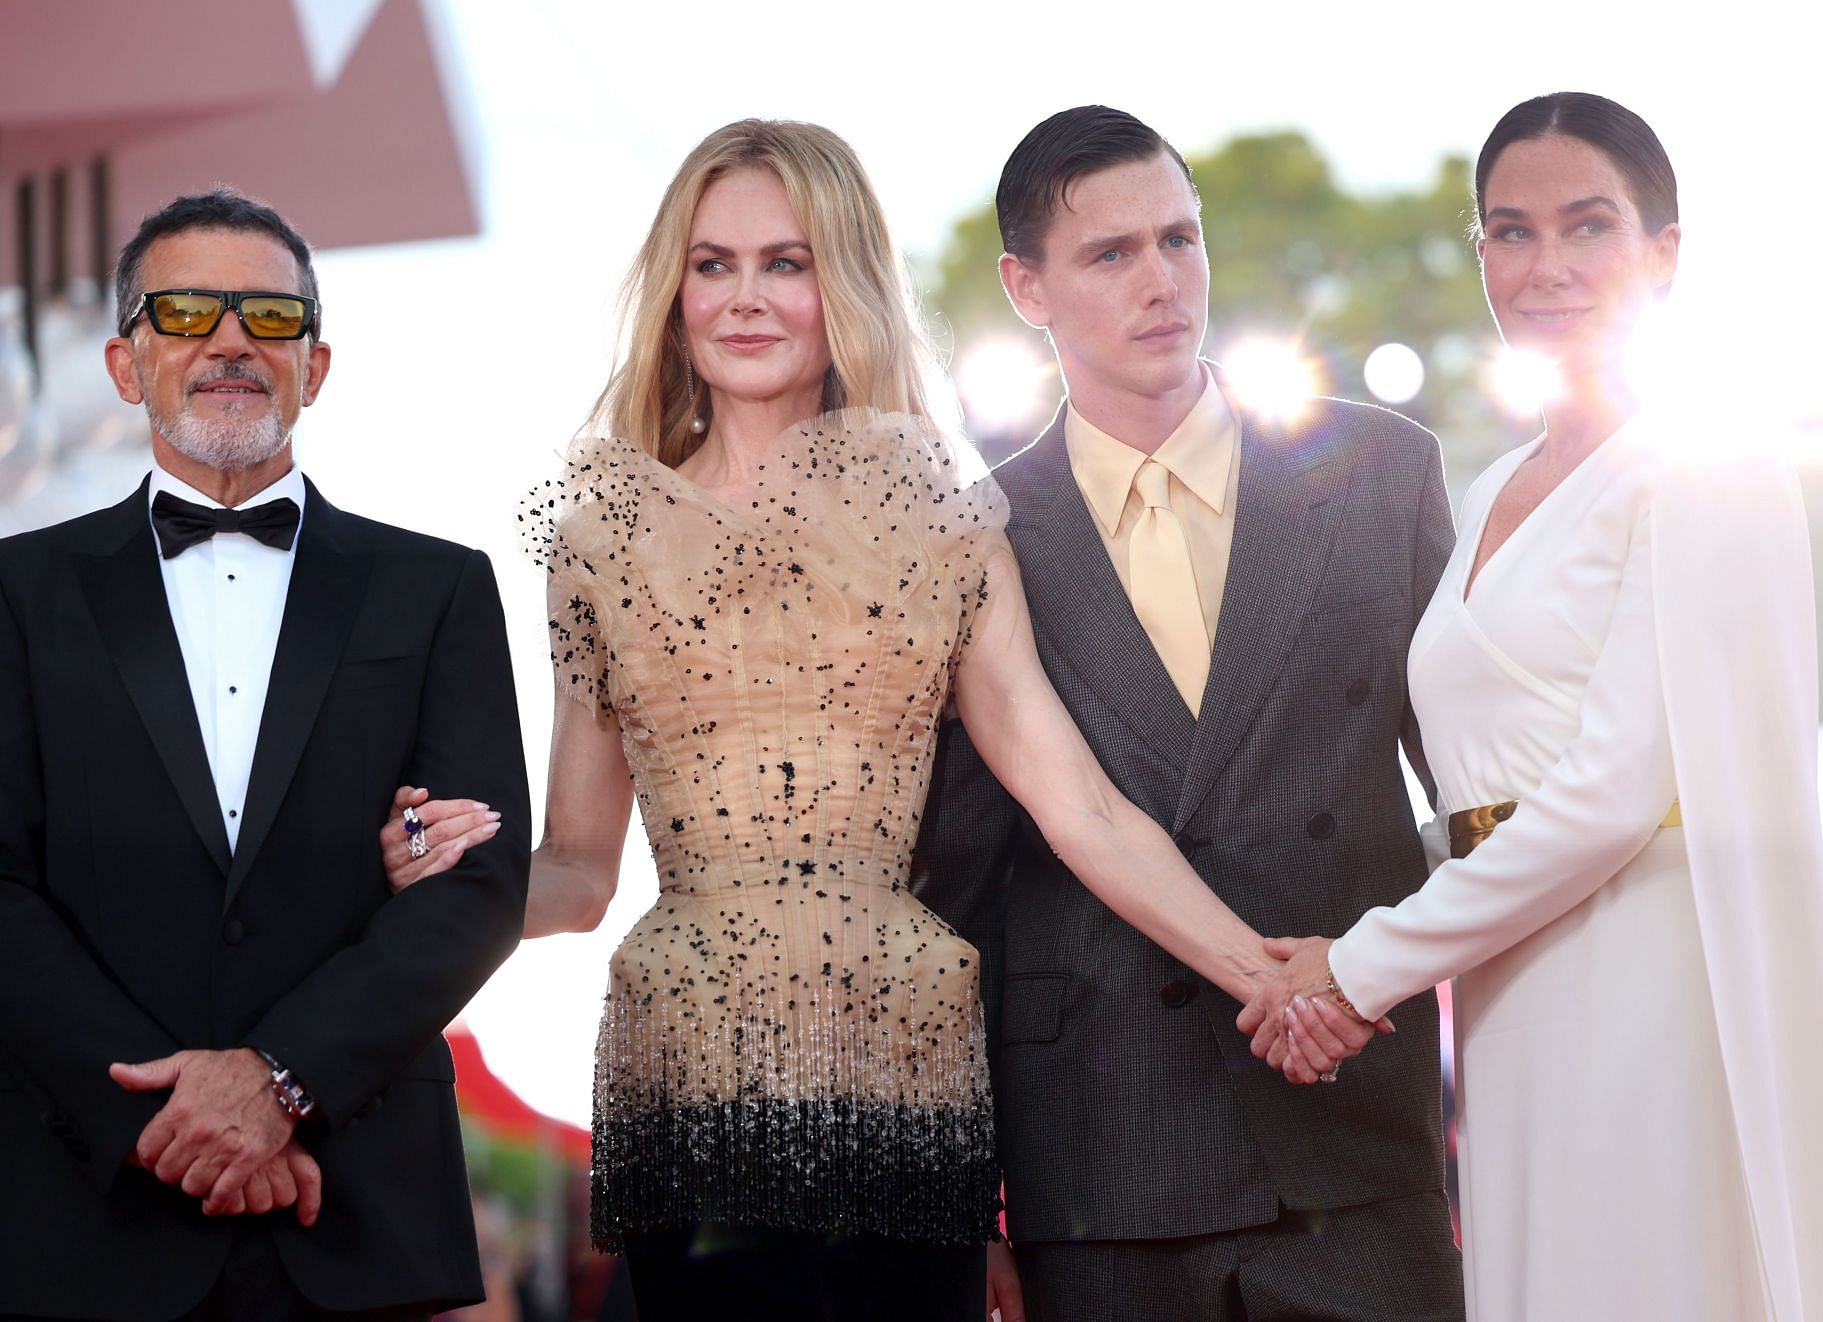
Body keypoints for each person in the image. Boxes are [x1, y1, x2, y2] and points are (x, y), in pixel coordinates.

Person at [385, 119, 1305, 1321]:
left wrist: (1269, 975)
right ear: (674, 293)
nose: (746, 299)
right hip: (690, 1071)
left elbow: (1075, 800)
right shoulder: (601, 537)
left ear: (844, 282)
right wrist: (438, 873)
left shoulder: (939, 507)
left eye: (788, 261)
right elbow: (574, 871)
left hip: (904, 1073)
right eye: (713, 264)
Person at [1258, 92, 1823, 1320]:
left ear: (1664, 253)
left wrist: (1357, 967)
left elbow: (1607, 794)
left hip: (1649, 973)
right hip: (1510, 988)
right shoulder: (1490, 483)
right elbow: (1472, 786)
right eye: (1510, 231)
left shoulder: (1709, 462)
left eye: (1587, 225)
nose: (1544, 266)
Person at [912, 106, 1464, 1322]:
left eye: (1179, 238)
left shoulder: (1382, 472)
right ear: (1025, 288)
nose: (1161, 280)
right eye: (1110, 254)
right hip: (1102, 1157)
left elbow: (1470, 798)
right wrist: (965, 1205)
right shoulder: (973, 537)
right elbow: (949, 896)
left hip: (1356, 1132)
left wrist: (1400, 986)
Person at [0, 190, 531, 1320]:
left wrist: (282, 1083)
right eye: (187, 310)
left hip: (355, 1206)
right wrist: (161, 1120)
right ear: (125, 360)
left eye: (270, 318)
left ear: (318, 364)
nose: (232, 340)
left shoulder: (440, 589)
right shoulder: (15, 593)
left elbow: (481, 881)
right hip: (80, 1214)